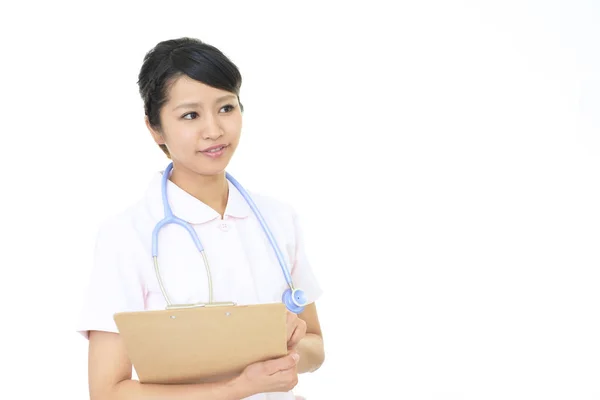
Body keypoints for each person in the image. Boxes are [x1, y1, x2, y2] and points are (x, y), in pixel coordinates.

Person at [76, 37, 325, 400]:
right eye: (190, 115)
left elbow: (316, 349)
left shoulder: (277, 219)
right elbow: (108, 391)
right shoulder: (127, 236)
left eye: (226, 108)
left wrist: (285, 345)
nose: (214, 130)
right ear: (155, 128)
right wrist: (239, 387)